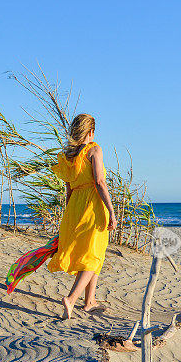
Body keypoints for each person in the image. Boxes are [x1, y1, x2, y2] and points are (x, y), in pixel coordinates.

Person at [47, 113, 117, 319]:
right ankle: (71, 299)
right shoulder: (94, 149)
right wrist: (112, 211)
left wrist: (69, 215)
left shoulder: (68, 157)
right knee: (93, 255)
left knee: (89, 253)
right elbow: (100, 182)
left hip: (75, 207)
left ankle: (90, 302)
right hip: (93, 206)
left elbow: (68, 191)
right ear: (91, 132)